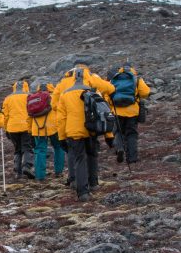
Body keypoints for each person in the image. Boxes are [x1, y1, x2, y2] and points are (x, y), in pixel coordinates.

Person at [56, 67, 115, 201]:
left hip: (73, 132)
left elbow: (61, 119)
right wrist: (109, 134)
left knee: (79, 160)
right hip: (91, 129)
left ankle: (83, 192)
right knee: (92, 155)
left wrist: (61, 137)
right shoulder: (93, 92)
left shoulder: (65, 95)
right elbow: (105, 109)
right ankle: (93, 183)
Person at [107, 64, 151, 164]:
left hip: (117, 111)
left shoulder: (114, 79)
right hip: (132, 112)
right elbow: (145, 93)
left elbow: (108, 93)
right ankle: (132, 158)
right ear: (133, 70)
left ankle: (119, 148)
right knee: (131, 134)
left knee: (118, 132)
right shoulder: (137, 79)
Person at [29, 82, 65, 181]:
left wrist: (29, 130)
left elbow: (28, 115)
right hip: (54, 127)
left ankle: (40, 176)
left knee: (40, 150)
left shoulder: (33, 99)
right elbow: (60, 111)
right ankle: (59, 172)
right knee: (59, 148)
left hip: (37, 129)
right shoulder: (54, 97)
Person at [2, 80, 34, 179]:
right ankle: (27, 166)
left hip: (12, 127)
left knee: (17, 149)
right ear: (26, 87)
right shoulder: (29, 96)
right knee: (27, 148)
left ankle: (17, 171)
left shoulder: (7, 99)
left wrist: (6, 128)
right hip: (26, 126)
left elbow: (5, 116)